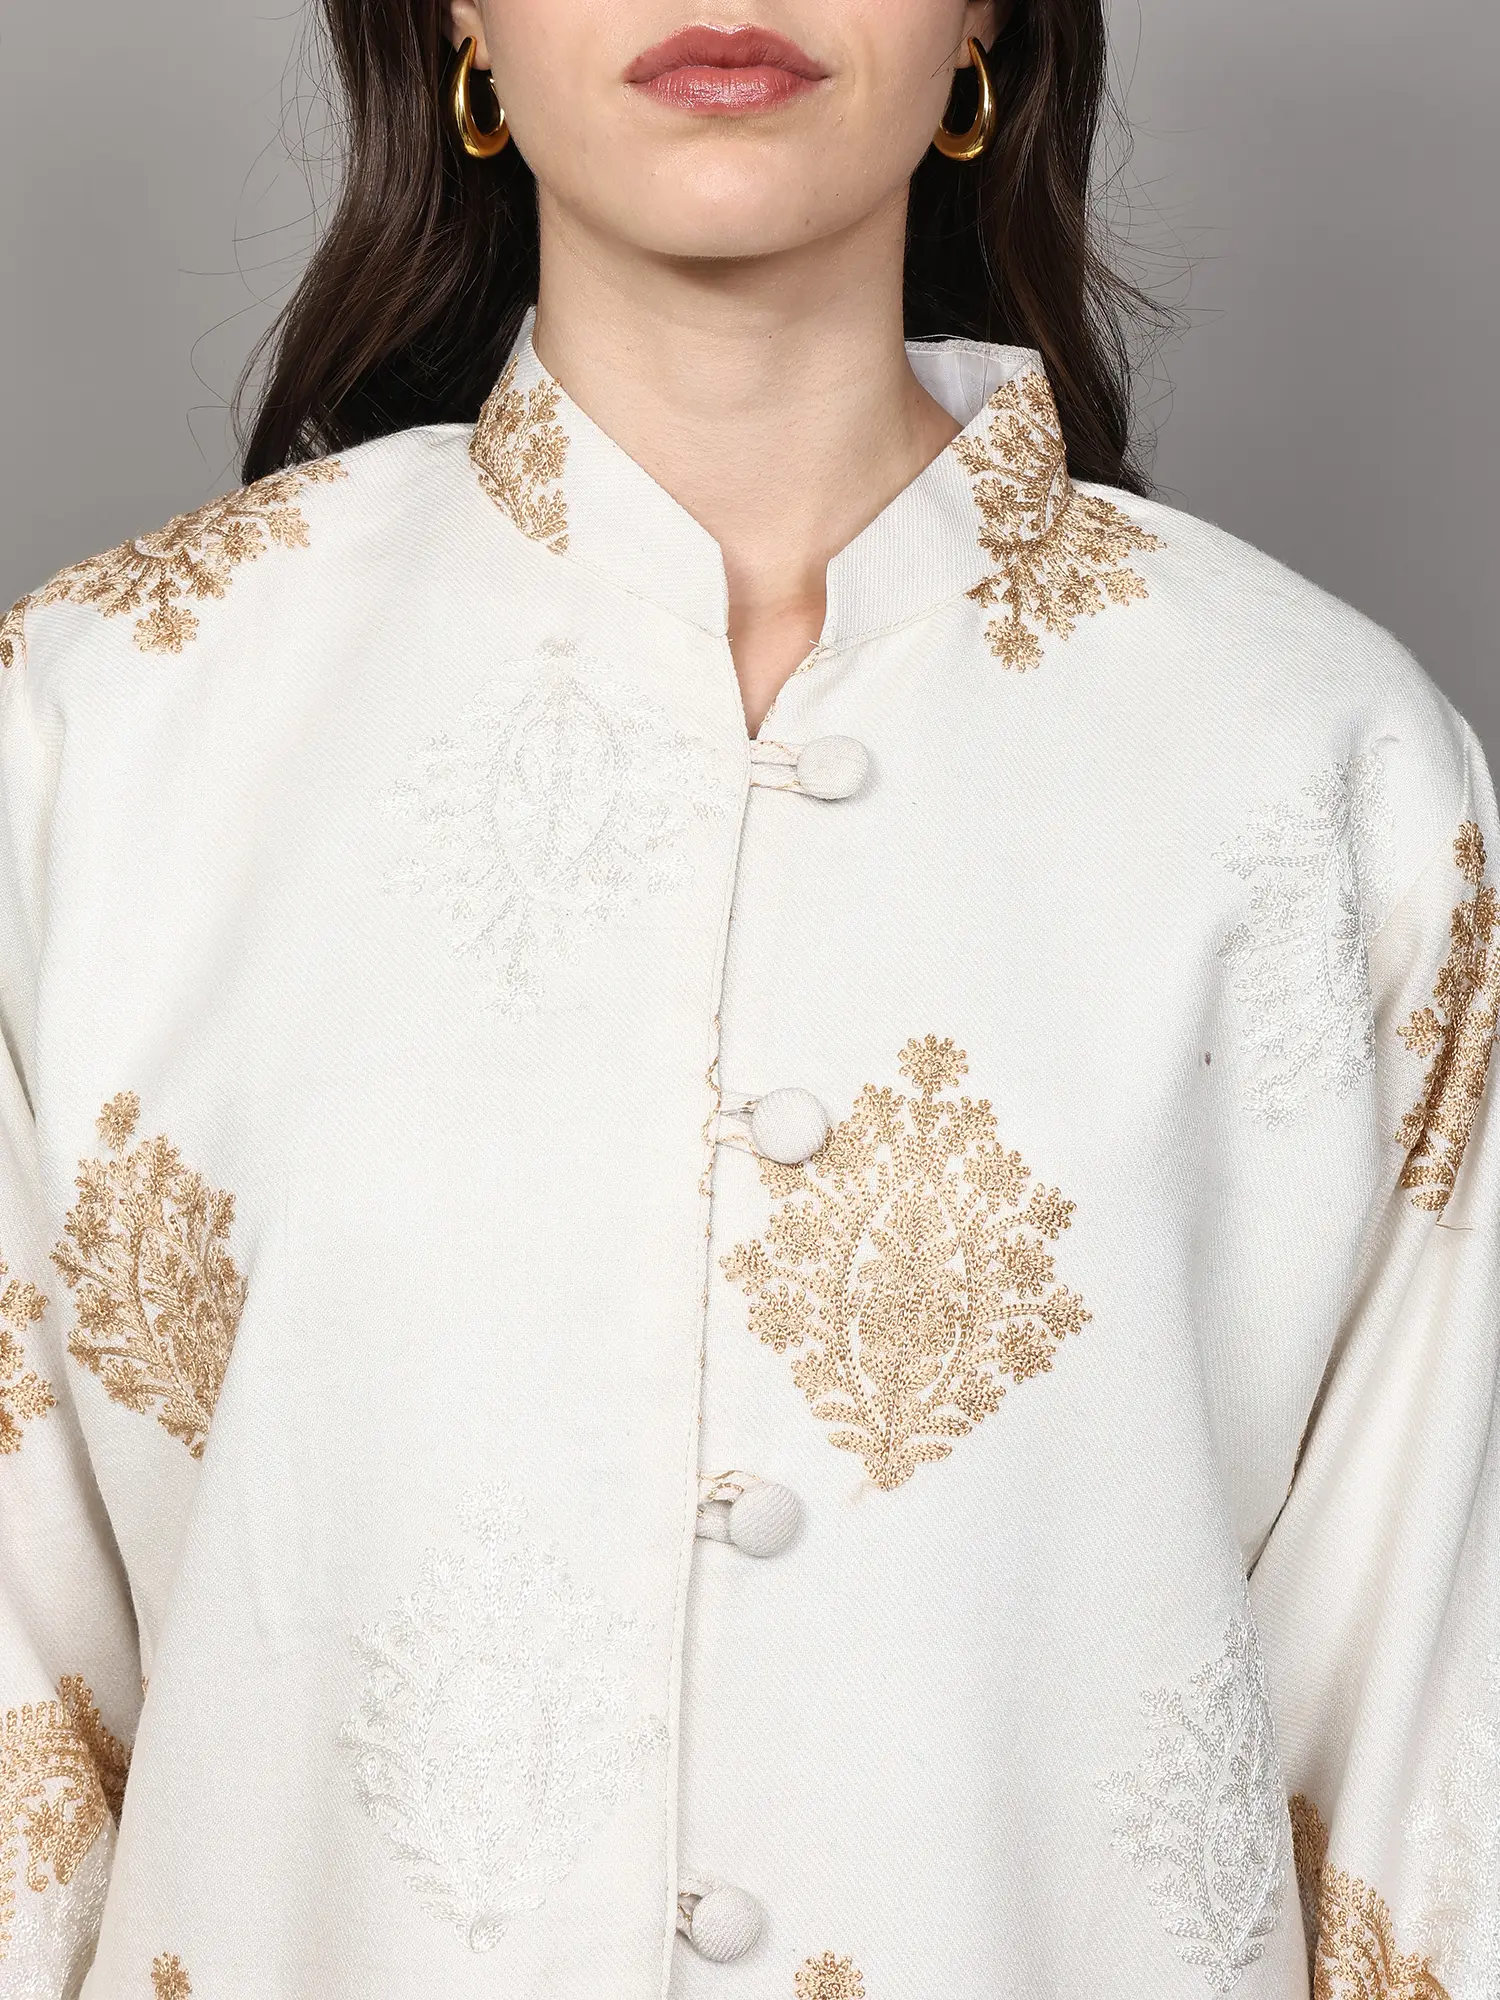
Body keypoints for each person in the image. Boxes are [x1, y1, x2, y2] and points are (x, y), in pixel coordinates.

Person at [0, 2, 1494, 1995]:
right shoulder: (106, 728)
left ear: (984, 25)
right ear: (459, 23)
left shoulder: (1325, 775)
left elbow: (1434, 1774)